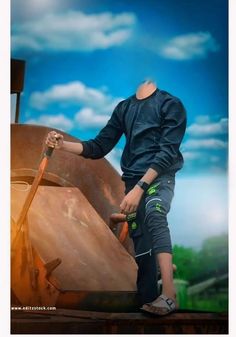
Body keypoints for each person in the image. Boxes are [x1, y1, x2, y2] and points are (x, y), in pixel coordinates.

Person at [46, 80, 187, 315]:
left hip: (157, 179)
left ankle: (170, 295)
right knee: (140, 242)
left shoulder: (170, 104)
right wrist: (63, 145)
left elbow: (167, 153)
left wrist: (140, 187)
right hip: (132, 182)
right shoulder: (124, 108)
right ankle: (149, 300)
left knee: (155, 213)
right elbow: (99, 146)